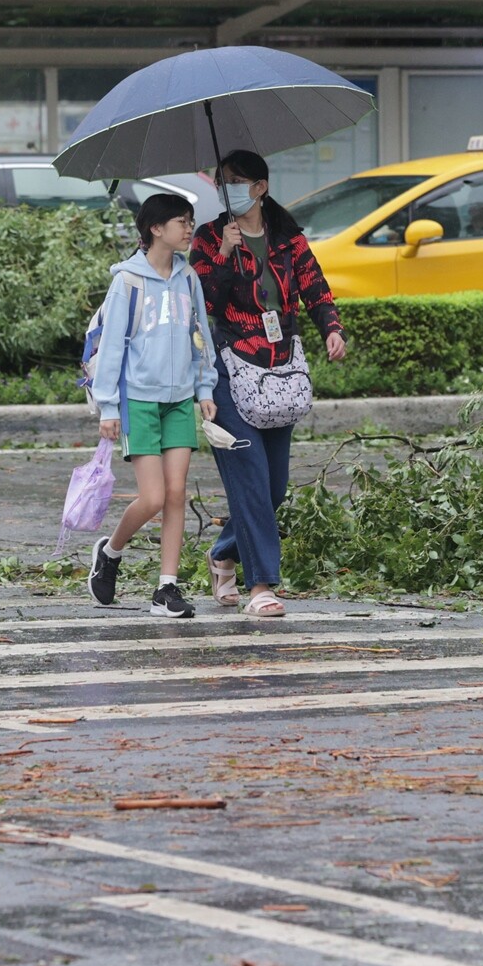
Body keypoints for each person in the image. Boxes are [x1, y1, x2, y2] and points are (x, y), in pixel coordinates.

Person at [189, 150, 346, 618]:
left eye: (236, 181)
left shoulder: (287, 237)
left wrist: (331, 329)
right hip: (228, 370)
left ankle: (222, 553)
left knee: (274, 487)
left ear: (260, 187)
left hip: (278, 371)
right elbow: (201, 303)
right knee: (251, 476)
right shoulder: (209, 237)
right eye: (222, 181)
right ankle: (261, 585)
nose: (227, 188)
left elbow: (315, 286)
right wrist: (222, 256)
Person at [86, 193, 218, 618]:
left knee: (177, 493)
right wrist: (108, 407)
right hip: (139, 400)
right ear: (155, 229)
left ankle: (167, 588)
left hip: (180, 399)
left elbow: (201, 337)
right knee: (154, 497)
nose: (189, 228)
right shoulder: (128, 281)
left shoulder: (189, 278)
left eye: (190, 220)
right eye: (181, 221)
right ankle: (110, 551)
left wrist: (205, 389)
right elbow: (110, 349)